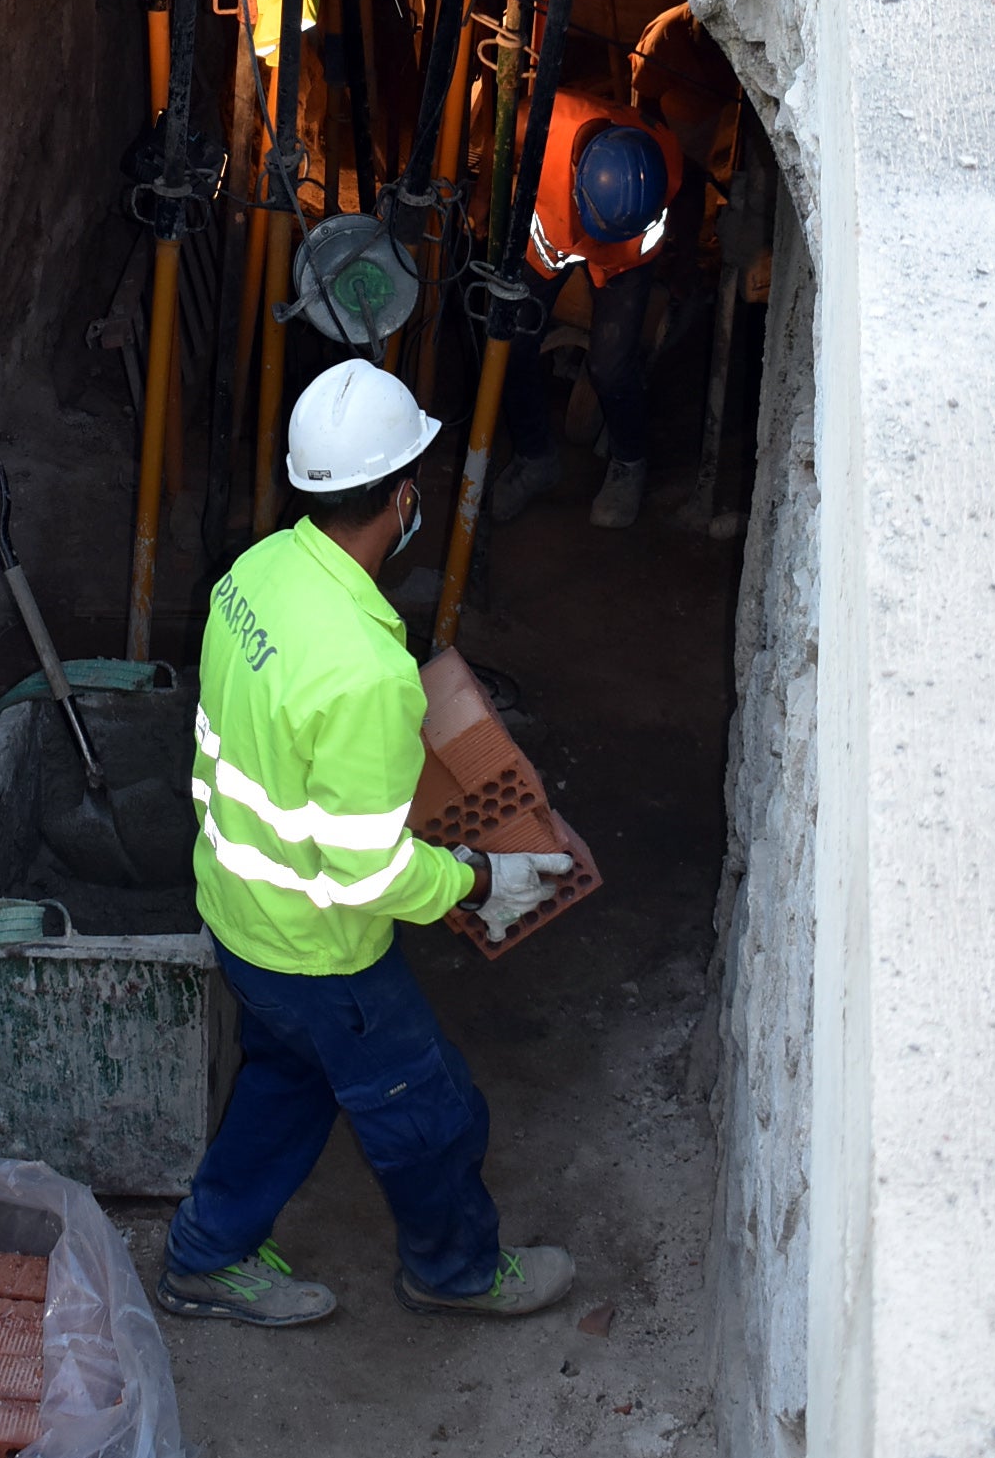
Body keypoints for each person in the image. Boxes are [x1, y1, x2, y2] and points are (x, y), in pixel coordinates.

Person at [157, 359, 576, 1329]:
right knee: (431, 1115)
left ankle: (204, 1254)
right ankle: (456, 1271)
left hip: (236, 909)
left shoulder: (250, 575)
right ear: (400, 496)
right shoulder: (364, 669)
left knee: (288, 1079)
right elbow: (368, 868)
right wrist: (478, 878)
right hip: (319, 949)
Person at [493, 85, 683, 530]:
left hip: (623, 261)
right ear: (578, 169)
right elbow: (501, 144)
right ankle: (535, 458)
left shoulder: (667, 162)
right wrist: (487, 199)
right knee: (509, 341)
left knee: (611, 366)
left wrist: (685, 262)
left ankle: (629, 464)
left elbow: (683, 208)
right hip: (551, 239)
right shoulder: (540, 124)